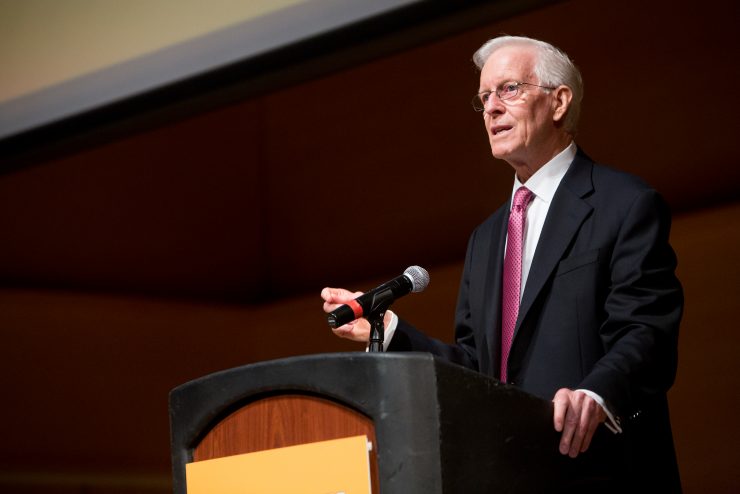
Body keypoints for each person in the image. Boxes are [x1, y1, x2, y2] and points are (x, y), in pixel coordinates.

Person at [322, 35, 683, 492]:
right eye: (484, 97)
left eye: (508, 90)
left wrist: (596, 394)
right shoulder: (487, 237)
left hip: (599, 469)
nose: (491, 108)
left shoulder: (624, 204)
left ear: (559, 101)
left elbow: (646, 332)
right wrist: (390, 329)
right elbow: (476, 371)